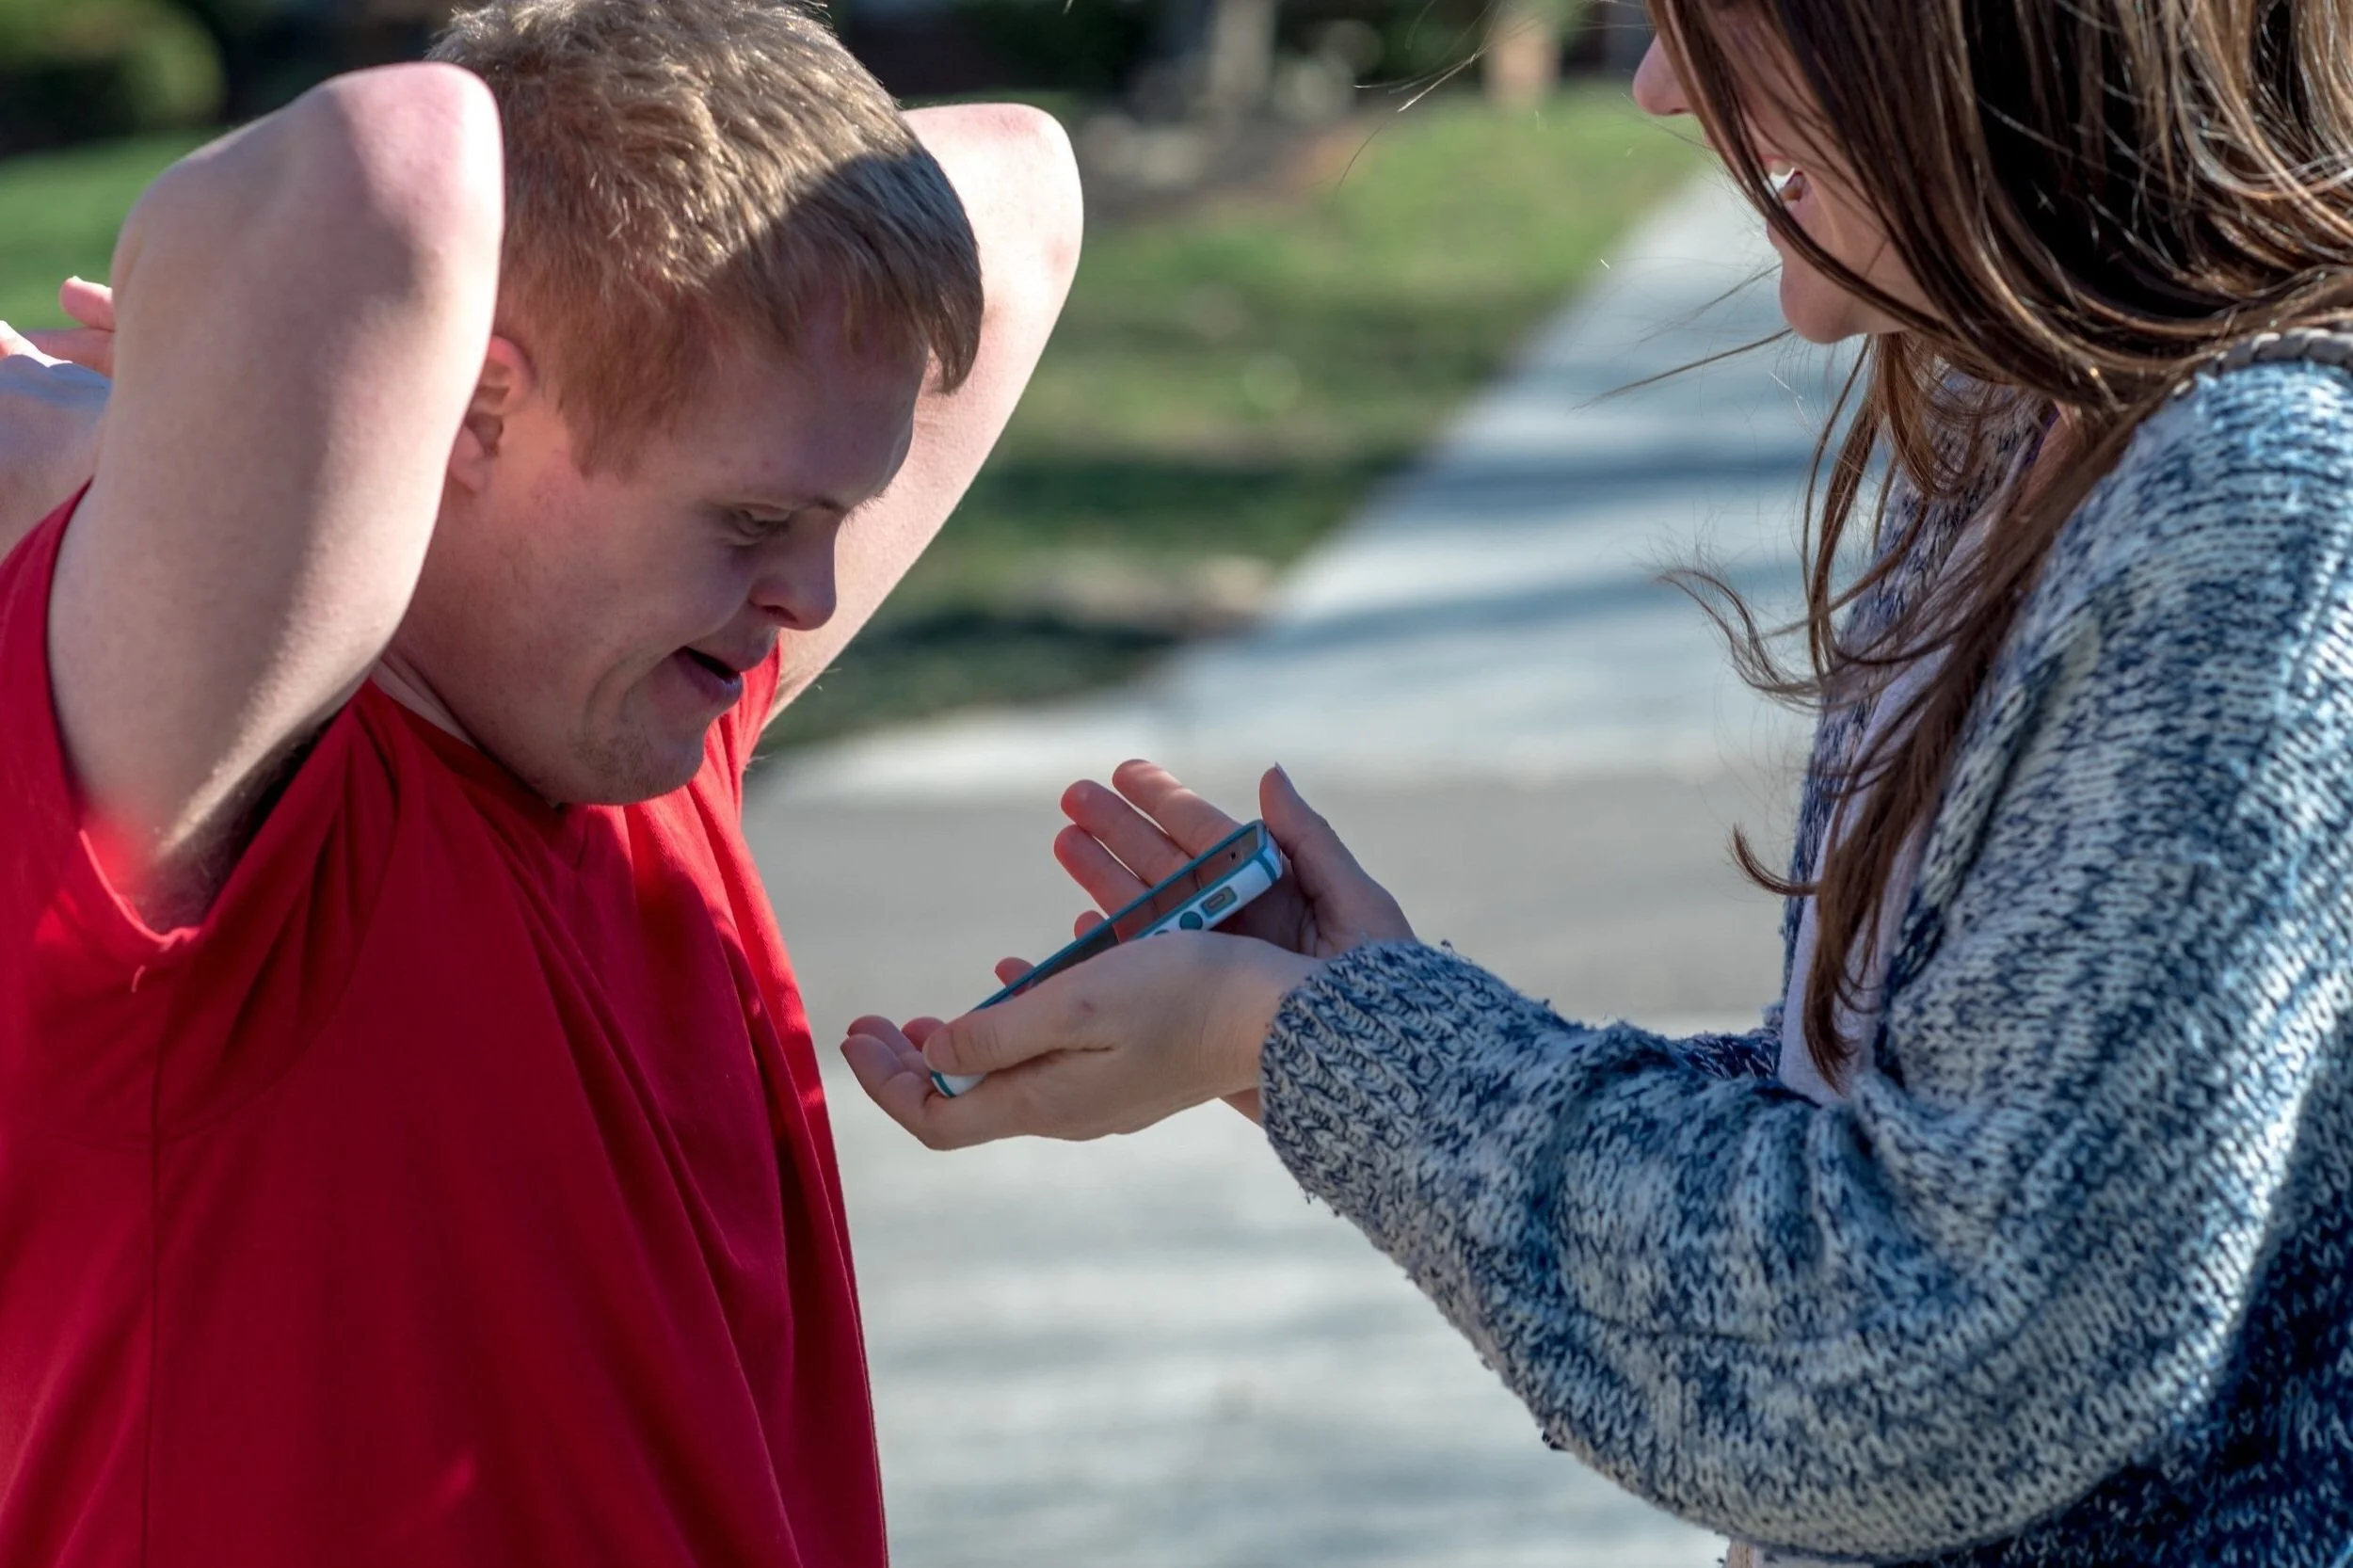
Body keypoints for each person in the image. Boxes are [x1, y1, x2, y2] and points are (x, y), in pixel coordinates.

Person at [841, 0, 2353, 1562]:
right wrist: (1358, 1010)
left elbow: (1944, 1350)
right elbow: (1907, 1131)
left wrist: (1291, 1033)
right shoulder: (2031, 425)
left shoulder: (2252, 520)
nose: (1654, 86)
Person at [0, 0, 1079, 1562]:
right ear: (476, 408)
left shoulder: (651, 736)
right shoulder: (223, 801)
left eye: (831, 516)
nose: (812, 596)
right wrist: (125, 455)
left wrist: (166, 431)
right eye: (752, 521)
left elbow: (1025, 181)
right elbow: (391, 164)